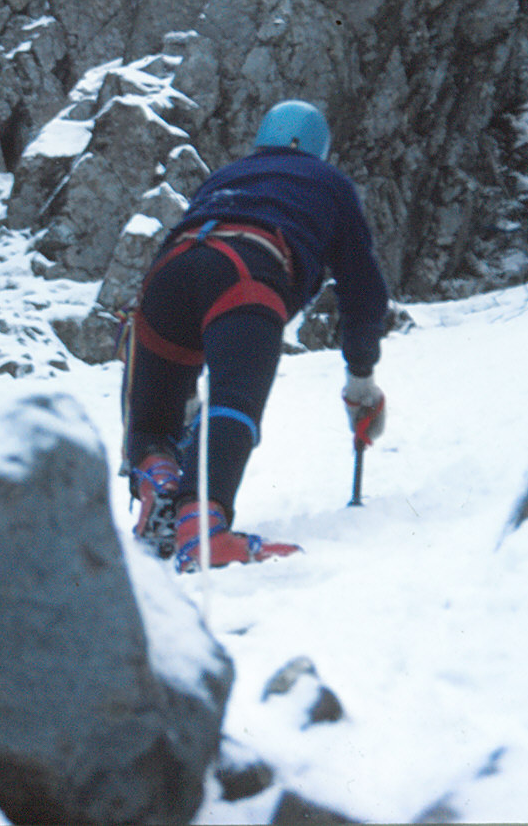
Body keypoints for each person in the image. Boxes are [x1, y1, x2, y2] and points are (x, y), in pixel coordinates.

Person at [121, 100, 390, 572]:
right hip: (248, 272)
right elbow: (362, 289)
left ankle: (160, 482)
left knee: (153, 422)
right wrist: (360, 379)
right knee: (232, 403)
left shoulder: (228, 175)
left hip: (169, 272)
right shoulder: (331, 184)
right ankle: (203, 533)